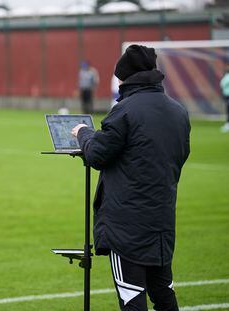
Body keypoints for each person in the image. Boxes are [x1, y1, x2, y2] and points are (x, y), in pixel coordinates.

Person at [71, 45, 190, 311]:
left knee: (132, 298)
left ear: (124, 77)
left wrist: (83, 134)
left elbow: (98, 155)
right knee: (163, 292)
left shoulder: (124, 111)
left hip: (126, 227)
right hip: (161, 220)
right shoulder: (178, 112)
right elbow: (180, 156)